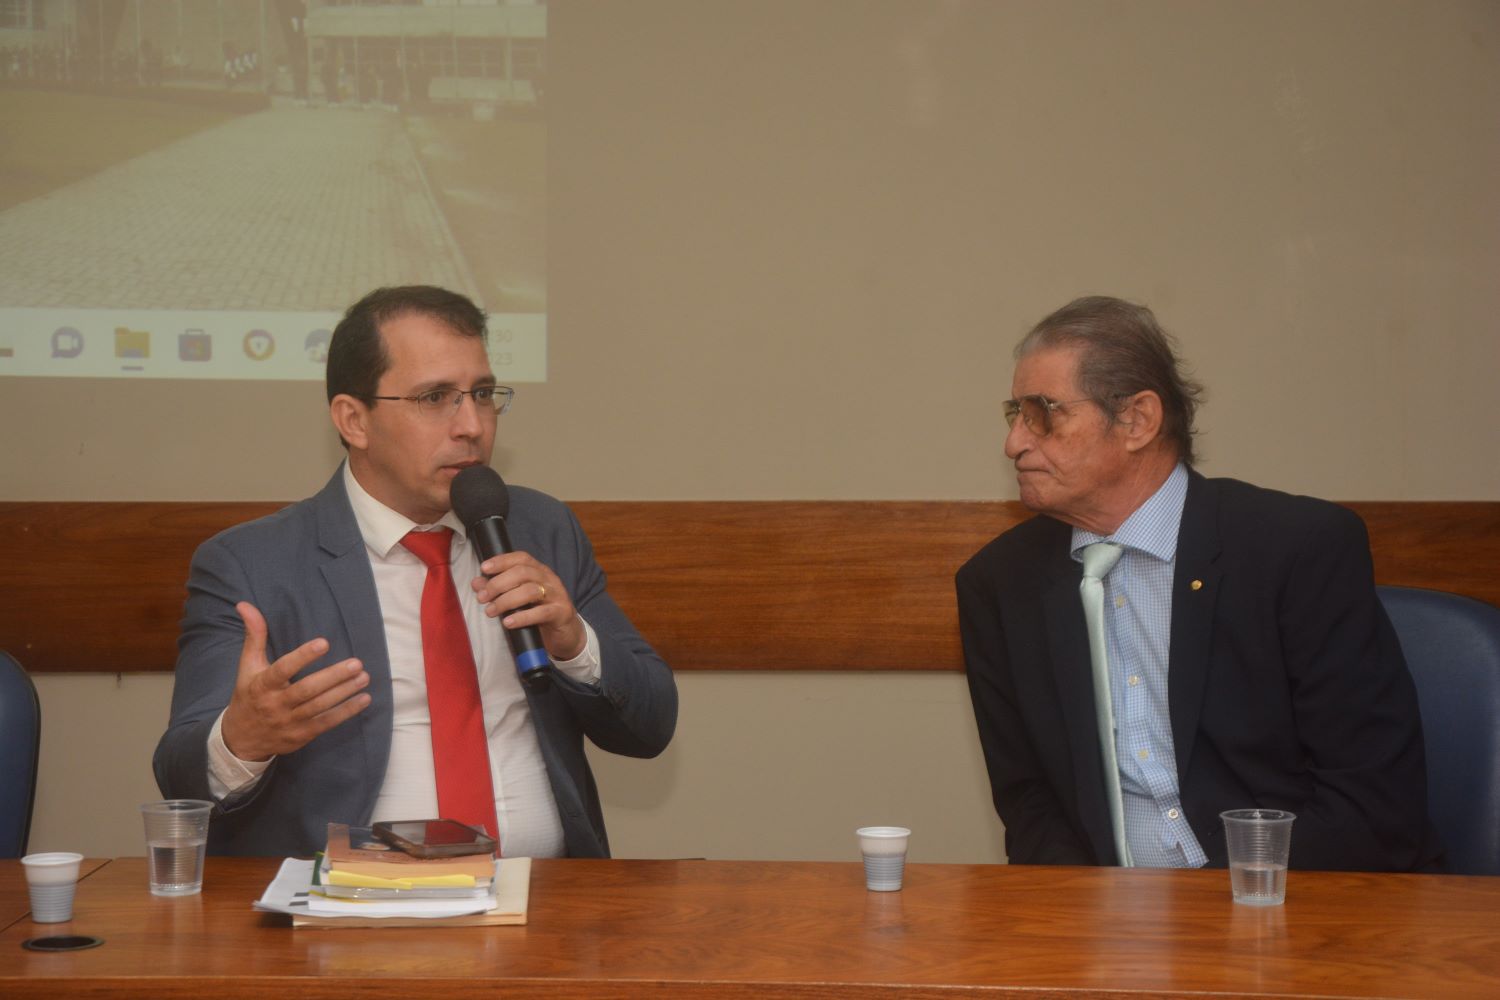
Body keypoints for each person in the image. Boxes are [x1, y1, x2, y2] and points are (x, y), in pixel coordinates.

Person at [154, 286, 677, 857]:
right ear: (354, 420)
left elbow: (649, 727)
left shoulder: (541, 529)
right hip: (352, 899)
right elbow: (181, 777)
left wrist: (574, 644)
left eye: (482, 394)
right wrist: (242, 739)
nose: (472, 425)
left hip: (548, 890)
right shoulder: (252, 563)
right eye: (435, 397)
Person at [957, 295, 1440, 872]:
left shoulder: (1297, 549)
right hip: (1101, 914)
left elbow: (1372, 805)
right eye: (1015, 414)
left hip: (1289, 898)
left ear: (1137, 420)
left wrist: (1209, 909)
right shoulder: (1000, 584)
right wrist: (1088, 911)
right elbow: (1030, 804)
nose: (1014, 442)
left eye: (1042, 413)